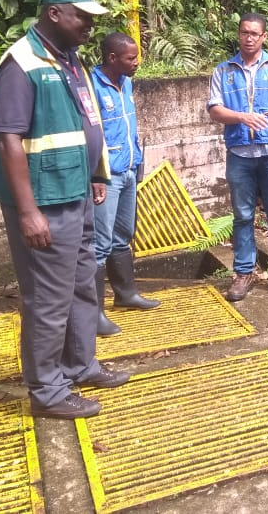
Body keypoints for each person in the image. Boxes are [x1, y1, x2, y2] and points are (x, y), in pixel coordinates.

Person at [0, 0, 130, 420]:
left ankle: (80, 363)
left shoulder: (70, 60)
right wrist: (28, 211)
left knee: (83, 287)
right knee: (48, 301)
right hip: (45, 202)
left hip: (78, 192)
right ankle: (48, 391)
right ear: (55, 14)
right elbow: (9, 137)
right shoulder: (22, 63)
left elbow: (85, 124)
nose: (90, 25)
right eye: (82, 17)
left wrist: (96, 175)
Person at [207, 13, 268, 301]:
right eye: (244, 33)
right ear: (238, 34)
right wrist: (241, 117)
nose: (249, 38)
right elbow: (214, 110)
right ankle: (243, 274)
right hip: (240, 154)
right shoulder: (223, 71)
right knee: (243, 215)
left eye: (254, 34)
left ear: (264, 37)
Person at [90, 31, 160, 336]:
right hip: (106, 176)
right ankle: (93, 315)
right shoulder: (91, 87)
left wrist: (137, 161)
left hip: (129, 170)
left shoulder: (126, 83)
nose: (137, 63)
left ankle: (125, 294)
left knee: (123, 235)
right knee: (99, 244)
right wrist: (95, 174)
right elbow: (89, 135)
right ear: (112, 58)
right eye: (131, 58)